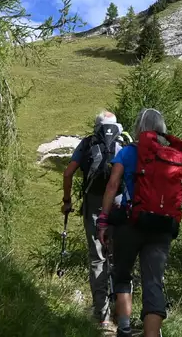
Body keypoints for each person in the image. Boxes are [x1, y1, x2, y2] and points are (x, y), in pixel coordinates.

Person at [97, 108, 180, 337]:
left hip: (131, 223)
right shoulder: (171, 154)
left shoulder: (127, 152)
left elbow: (112, 185)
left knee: (122, 274)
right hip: (162, 226)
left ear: (138, 128)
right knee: (154, 282)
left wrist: (103, 221)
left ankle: (123, 329)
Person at [61, 111, 126, 333]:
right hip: (118, 208)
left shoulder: (88, 143)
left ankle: (103, 318)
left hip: (94, 207)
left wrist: (67, 201)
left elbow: (68, 173)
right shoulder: (123, 145)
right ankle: (123, 315)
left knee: (97, 259)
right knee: (119, 260)